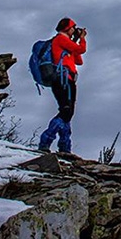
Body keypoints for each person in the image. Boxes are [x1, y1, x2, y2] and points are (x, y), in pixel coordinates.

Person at [38, 17, 87, 154]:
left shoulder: (67, 43)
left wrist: (75, 41)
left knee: (68, 112)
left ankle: (65, 146)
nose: (74, 30)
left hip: (69, 79)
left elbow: (79, 60)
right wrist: (81, 39)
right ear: (67, 28)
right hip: (62, 78)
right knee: (66, 111)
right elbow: (81, 49)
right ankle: (46, 140)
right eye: (73, 27)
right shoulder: (60, 39)